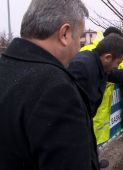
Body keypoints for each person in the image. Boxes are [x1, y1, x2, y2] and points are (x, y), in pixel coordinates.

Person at [0, 0, 101, 169]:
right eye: (80, 38)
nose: (79, 48)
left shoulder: (6, 67)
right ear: (65, 34)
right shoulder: (57, 91)